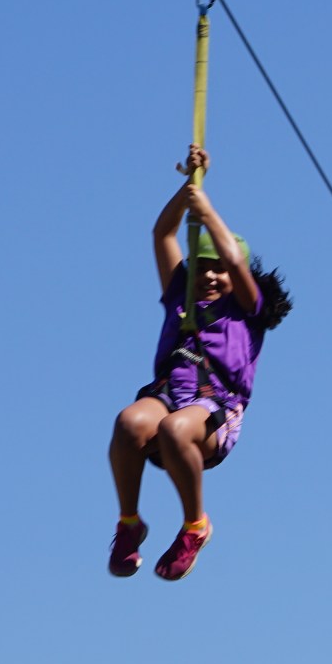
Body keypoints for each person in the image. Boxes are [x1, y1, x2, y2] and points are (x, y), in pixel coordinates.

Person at [107, 145, 292, 580]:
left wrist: (207, 212)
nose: (209, 275)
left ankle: (195, 525)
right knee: (129, 423)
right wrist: (188, 185)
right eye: (201, 267)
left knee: (175, 430)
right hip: (170, 393)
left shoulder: (246, 307)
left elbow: (231, 258)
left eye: (218, 270)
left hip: (214, 408)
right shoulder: (180, 295)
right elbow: (162, 234)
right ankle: (129, 524)